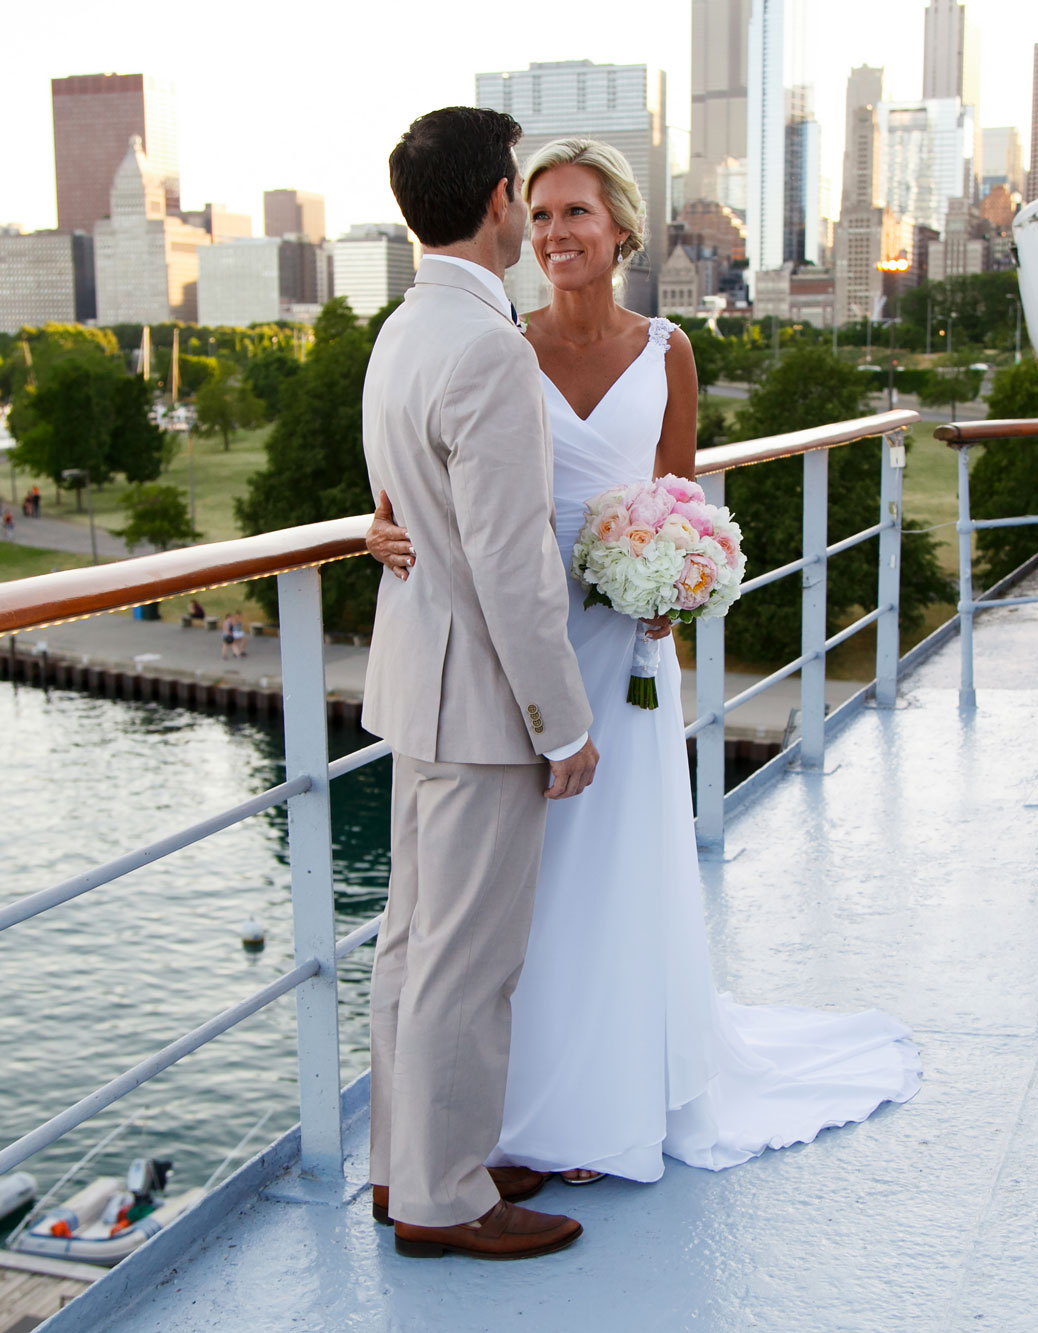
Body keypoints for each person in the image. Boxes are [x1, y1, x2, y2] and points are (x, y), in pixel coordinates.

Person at [366, 135, 920, 1196]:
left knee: (598, 882)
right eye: (535, 216)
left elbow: (675, 493)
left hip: (620, 651)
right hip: (516, 652)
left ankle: (589, 1102)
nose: (552, 234)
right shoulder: (495, 341)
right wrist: (378, 533)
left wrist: (677, 584)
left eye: (574, 214)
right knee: (496, 912)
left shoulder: (666, 347)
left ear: (621, 228)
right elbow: (429, 487)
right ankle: (489, 1130)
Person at [359, 106, 599, 1264]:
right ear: (500, 201)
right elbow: (512, 564)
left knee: (410, 943)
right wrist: (563, 723)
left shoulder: (399, 331)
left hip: (414, 684)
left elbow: (410, 510)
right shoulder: (490, 346)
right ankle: (445, 1197)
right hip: (479, 701)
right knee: (466, 962)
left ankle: (402, 1163)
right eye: (520, 190)